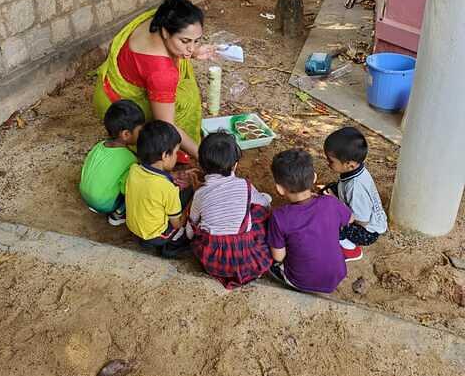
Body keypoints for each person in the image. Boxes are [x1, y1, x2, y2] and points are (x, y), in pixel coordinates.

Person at [93, 0, 215, 161]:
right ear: (166, 32)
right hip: (119, 109)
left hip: (107, 86)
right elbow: (166, 127)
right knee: (183, 104)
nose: (191, 48)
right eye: (185, 41)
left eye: (196, 40)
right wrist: (203, 157)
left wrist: (193, 51)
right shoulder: (161, 73)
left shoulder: (157, 18)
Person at [187, 131, 272, 289]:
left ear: (201, 165)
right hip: (245, 257)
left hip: (213, 259)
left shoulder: (200, 194)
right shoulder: (244, 185)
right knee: (258, 212)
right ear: (235, 165)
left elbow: (190, 231)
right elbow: (264, 205)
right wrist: (266, 199)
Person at [267, 149, 358, 294]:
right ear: (314, 177)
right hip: (337, 275)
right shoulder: (330, 203)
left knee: (270, 260)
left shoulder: (279, 217)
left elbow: (279, 256)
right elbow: (351, 218)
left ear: (279, 189)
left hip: (300, 281)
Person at [126, 120, 193, 258]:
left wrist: (172, 176)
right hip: (156, 236)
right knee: (190, 197)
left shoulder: (134, 170)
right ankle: (171, 246)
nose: (176, 157)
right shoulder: (167, 188)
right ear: (164, 155)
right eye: (175, 153)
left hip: (134, 229)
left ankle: (147, 242)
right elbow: (177, 224)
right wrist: (193, 199)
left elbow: (151, 186)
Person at [79, 100, 145, 226]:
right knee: (137, 185)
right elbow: (127, 189)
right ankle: (119, 213)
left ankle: (97, 201)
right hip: (103, 204)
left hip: (84, 193)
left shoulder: (99, 145)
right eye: (140, 132)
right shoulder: (129, 159)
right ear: (126, 134)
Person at [323, 127, 387, 251]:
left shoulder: (356, 188)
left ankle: (345, 243)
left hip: (365, 232)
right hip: (360, 214)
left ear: (349, 164)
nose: (327, 163)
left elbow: (362, 220)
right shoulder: (356, 170)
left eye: (331, 161)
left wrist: (336, 202)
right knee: (329, 189)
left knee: (331, 219)